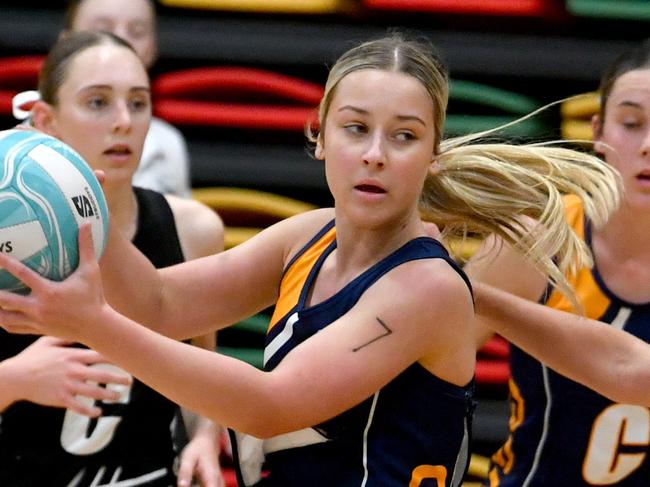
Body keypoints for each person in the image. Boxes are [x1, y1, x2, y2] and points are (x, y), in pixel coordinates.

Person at [0, 33, 629, 487]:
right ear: (319, 134)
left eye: (404, 136)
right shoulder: (306, 237)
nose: (376, 154)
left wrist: (94, 324)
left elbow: (269, 404)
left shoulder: (425, 286)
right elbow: (161, 305)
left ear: (433, 153)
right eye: (356, 128)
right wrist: (70, 187)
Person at [0, 31, 225, 486]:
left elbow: (203, 384)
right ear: (45, 119)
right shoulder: (7, 232)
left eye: (138, 103)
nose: (123, 121)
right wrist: (13, 380)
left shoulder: (193, 229)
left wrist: (204, 439)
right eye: (98, 102)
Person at [464, 40, 650, 486]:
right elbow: (422, 356)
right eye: (631, 123)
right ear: (598, 134)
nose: (649, 145)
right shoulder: (536, 239)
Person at [62, 0, 192, 198]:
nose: (121, 40)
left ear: (153, 48)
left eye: (137, 32)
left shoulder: (168, 144)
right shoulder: (22, 151)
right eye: (102, 29)